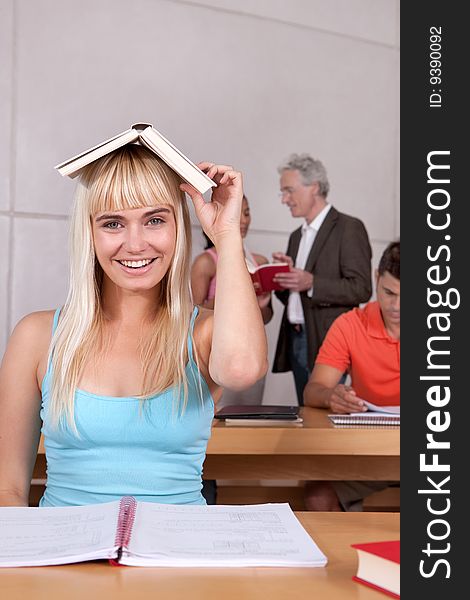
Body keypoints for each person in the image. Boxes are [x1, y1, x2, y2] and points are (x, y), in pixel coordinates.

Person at [0, 145, 268, 507]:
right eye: (113, 223)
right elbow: (9, 490)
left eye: (155, 220)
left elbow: (240, 369)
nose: (136, 244)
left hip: (178, 556)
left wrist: (227, 234)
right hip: (67, 558)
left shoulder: (202, 334)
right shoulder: (37, 337)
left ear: (178, 227)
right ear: (89, 233)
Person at [303, 241, 400, 511]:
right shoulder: (350, 324)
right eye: (389, 292)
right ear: (376, 277)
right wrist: (332, 396)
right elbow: (314, 390)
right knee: (317, 497)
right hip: (369, 454)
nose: (396, 306)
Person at [271, 153, 372, 405]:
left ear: (314, 187)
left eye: (289, 190)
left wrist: (311, 283)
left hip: (327, 339)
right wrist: (282, 277)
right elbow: (295, 296)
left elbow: (361, 288)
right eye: (282, 192)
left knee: (323, 414)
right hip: (295, 335)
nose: (284, 199)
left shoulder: (349, 228)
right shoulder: (296, 236)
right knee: (306, 412)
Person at [191, 194, 273, 406]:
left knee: (250, 419)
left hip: (252, 349)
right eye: (239, 213)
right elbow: (194, 314)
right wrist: (230, 297)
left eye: (247, 213)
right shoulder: (205, 263)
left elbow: (266, 317)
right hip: (218, 355)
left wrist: (261, 303)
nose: (244, 220)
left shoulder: (260, 261)